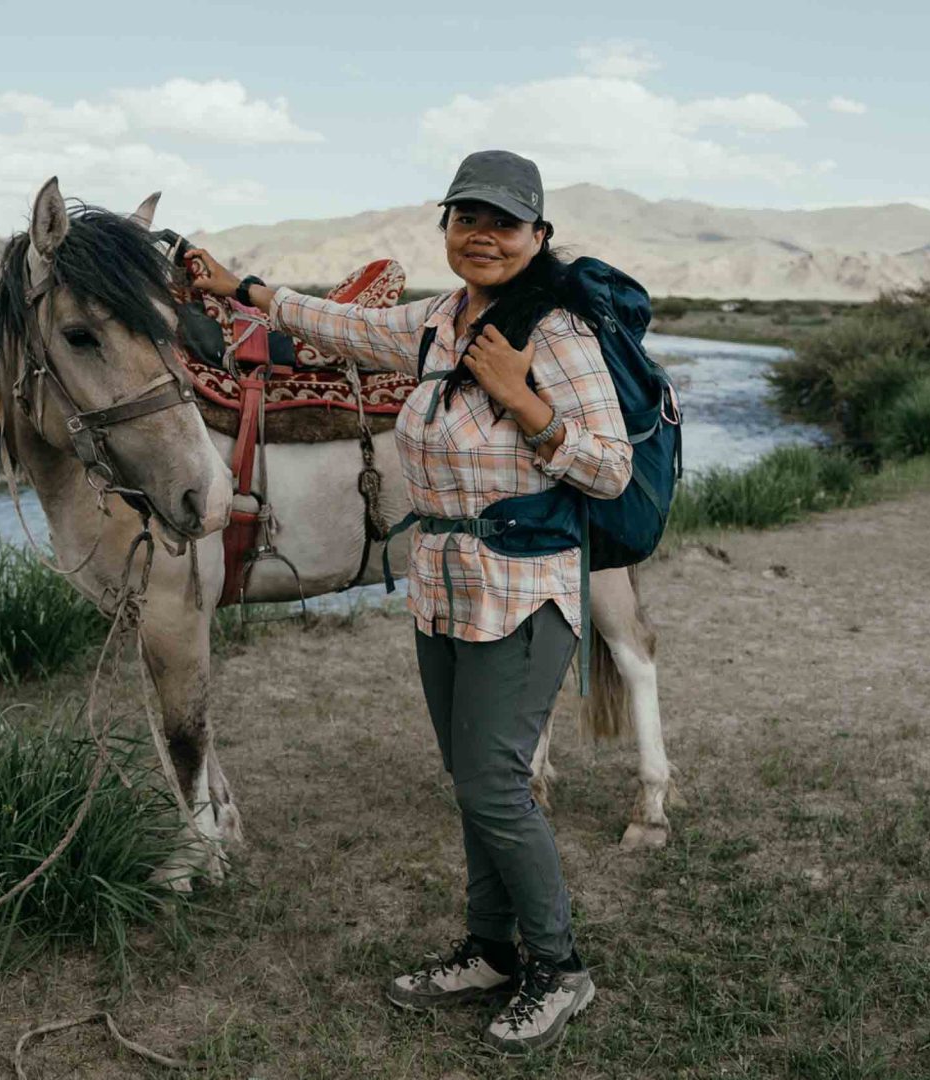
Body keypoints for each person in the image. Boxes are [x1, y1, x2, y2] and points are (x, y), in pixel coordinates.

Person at [185, 149, 631, 1054]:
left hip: (522, 590)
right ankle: (490, 951)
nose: (482, 234)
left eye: (504, 222)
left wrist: (527, 405)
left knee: (497, 787)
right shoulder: (438, 322)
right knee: (473, 785)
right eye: (466, 217)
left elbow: (610, 469)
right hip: (440, 590)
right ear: (447, 231)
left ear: (538, 236)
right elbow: (346, 328)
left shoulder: (559, 334)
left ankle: (560, 967)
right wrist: (249, 290)